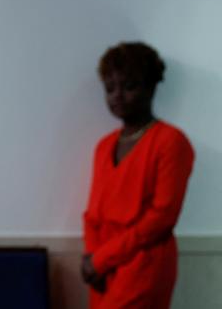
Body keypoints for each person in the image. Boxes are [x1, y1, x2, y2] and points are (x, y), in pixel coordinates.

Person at [81, 42, 194, 308]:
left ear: (151, 87)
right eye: (110, 88)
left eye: (129, 86)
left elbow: (161, 219)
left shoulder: (170, 141)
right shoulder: (104, 146)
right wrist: (93, 259)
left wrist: (100, 260)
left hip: (145, 265)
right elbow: (93, 214)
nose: (117, 95)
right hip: (102, 272)